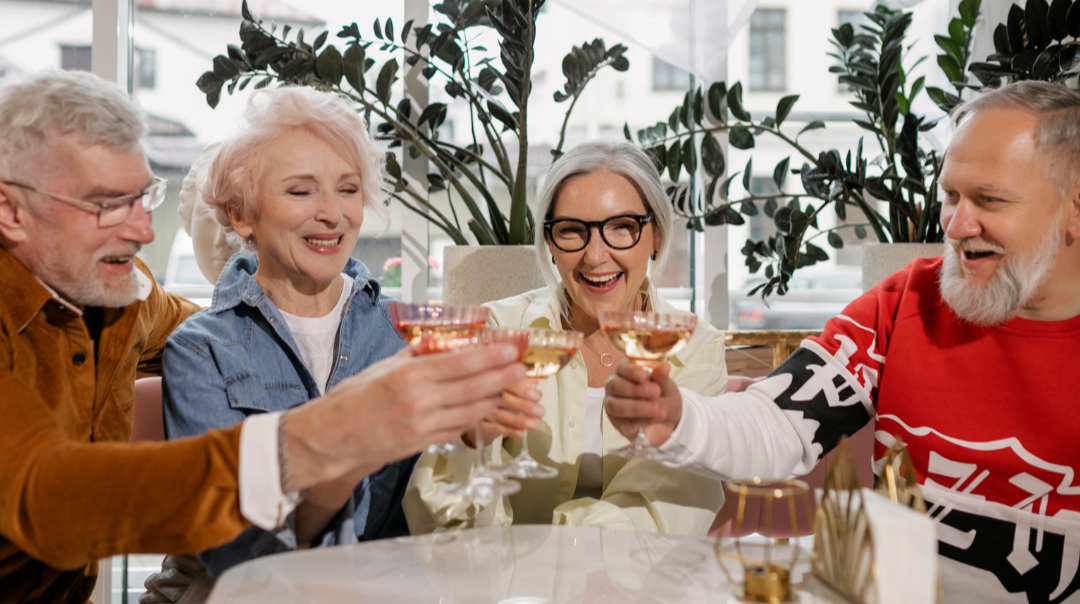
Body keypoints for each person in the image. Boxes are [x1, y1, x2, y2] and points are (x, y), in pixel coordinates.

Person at [0, 70, 525, 603]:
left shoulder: (124, 296)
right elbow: (47, 492)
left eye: (143, 199)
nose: (144, 232)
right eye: (106, 205)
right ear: (10, 212)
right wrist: (331, 432)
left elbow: (217, 331)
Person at [604, 80, 1080, 603]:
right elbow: (778, 424)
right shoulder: (906, 302)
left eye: (989, 200)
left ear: (1075, 207)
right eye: (950, 196)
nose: (956, 224)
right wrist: (678, 419)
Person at [138, 86, 417, 600]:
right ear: (241, 214)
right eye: (300, 191)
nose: (333, 213)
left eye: (348, 188)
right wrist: (340, 463)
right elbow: (232, 548)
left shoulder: (406, 334)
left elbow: (426, 518)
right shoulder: (200, 350)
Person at [405, 140, 727, 536]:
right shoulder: (497, 331)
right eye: (572, 231)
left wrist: (540, 544)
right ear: (550, 243)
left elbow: (664, 516)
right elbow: (435, 514)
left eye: (621, 227)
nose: (595, 256)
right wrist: (473, 443)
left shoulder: (696, 348)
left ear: (656, 236)